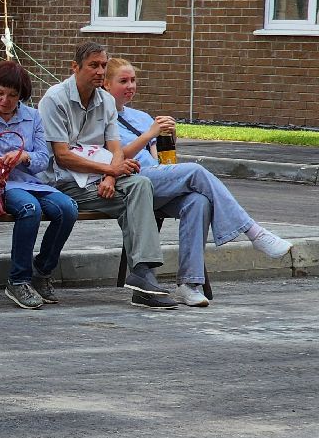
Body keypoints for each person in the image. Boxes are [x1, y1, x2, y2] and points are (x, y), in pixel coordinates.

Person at [105, 57, 292, 306]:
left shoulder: (140, 116)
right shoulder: (101, 117)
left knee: (198, 200)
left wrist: (168, 139)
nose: (130, 86)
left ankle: (189, 283)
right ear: (107, 85)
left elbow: (161, 162)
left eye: (133, 80)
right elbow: (115, 159)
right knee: (195, 171)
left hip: (156, 179)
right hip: (131, 182)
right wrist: (150, 134)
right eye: (123, 81)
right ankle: (253, 232)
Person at [37, 42, 176, 310]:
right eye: (93, 65)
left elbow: (115, 149)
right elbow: (62, 155)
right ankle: (143, 278)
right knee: (136, 205)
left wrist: (111, 178)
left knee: (140, 184)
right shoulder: (55, 99)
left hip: (99, 177)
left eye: (103, 65)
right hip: (64, 180)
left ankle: (142, 274)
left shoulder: (105, 101)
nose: (100, 71)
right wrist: (109, 171)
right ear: (75, 68)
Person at [0, 60, 78, 310]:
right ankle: (18, 280)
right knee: (30, 209)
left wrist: (24, 156)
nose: (4, 100)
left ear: (21, 96)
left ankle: (42, 271)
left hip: (28, 181)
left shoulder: (32, 116)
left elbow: (42, 160)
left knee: (68, 208)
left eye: (12, 96)